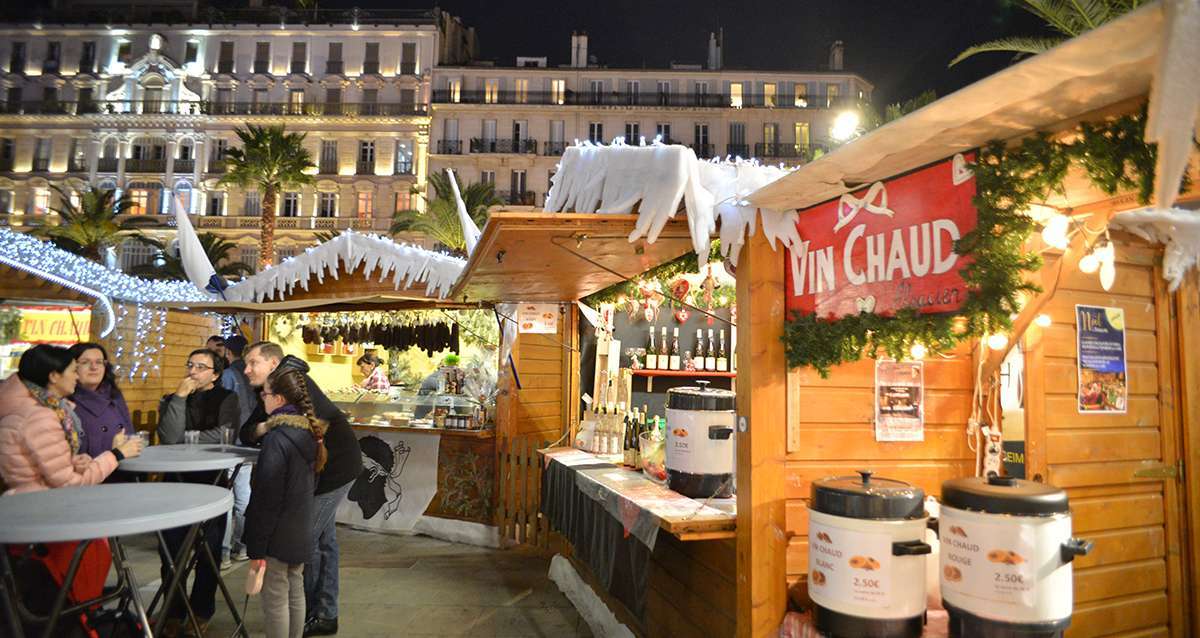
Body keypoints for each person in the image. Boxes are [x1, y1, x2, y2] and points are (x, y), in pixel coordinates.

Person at [0, 345, 143, 636]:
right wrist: (115, 455)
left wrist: (74, 462)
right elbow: (67, 485)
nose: (77, 376)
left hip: (30, 509)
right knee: (69, 583)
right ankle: (81, 622)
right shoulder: (39, 416)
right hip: (46, 517)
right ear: (54, 376)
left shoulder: (39, 408)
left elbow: (44, 467)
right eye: (72, 369)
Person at [242, 342, 362, 637]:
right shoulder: (273, 391)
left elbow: (313, 424)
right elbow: (248, 430)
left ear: (273, 364)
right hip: (315, 472)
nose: (246, 370)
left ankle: (319, 614)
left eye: (253, 363)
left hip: (332, 469)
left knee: (309, 547)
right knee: (318, 543)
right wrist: (267, 426)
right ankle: (315, 613)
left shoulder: (293, 382)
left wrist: (267, 428)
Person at [157, 348, 241, 636]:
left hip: (210, 482)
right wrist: (179, 398)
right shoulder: (172, 399)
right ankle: (172, 609)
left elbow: (225, 434)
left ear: (215, 375)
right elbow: (168, 438)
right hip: (174, 484)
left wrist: (184, 441)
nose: (193, 371)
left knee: (208, 551)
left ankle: (202, 610)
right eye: (190, 364)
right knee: (170, 551)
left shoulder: (227, 399)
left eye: (201, 367)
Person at [244, 367, 328, 638]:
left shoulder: (277, 439)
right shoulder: (309, 435)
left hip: (277, 533)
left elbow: (267, 497)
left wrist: (257, 544)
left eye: (264, 394)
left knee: (275, 599)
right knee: (294, 588)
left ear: (279, 400)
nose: (262, 399)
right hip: (300, 527)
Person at [220, 334, 256, 566]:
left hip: (229, 442)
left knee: (224, 498)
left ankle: (222, 552)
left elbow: (223, 410)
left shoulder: (228, 375)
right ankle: (243, 546)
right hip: (249, 442)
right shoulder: (254, 375)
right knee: (243, 495)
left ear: (227, 352)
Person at [67, 342, 134, 460]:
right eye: (85, 362)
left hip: (125, 468)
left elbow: (129, 433)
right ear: (71, 367)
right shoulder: (66, 402)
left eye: (99, 362)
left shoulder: (114, 395)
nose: (94, 367)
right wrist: (114, 450)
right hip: (90, 474)